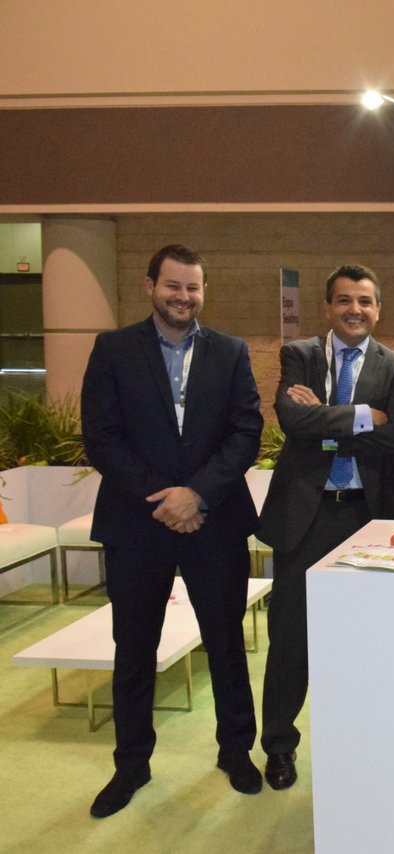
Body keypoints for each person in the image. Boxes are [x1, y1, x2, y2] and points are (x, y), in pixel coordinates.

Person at [80, 244, 263, 817]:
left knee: (227, 644)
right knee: (134, 650)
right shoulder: (112, 350)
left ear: (204, 291)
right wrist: (165, 499)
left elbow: (246, 432)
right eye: (173, 286)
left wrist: (197, 494)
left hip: (214, 520)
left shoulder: (230, 352)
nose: (183, 297)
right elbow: (101, 436)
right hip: (138, 523)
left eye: (193, 288)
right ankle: (131, 764)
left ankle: (236, 751)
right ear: (150, 286)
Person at [256, 265, 394, 791]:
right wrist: (367, 415)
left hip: (372, 518)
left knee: (374, 636)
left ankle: (369, 743)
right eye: (344, 300)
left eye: (365, 301)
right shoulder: (299, 355)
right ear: (328, 307)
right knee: (290, 638)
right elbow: (292, 422)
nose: (355, 310)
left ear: (378, 309)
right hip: (307, 516)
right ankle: (279, 746)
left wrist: (325, 420)